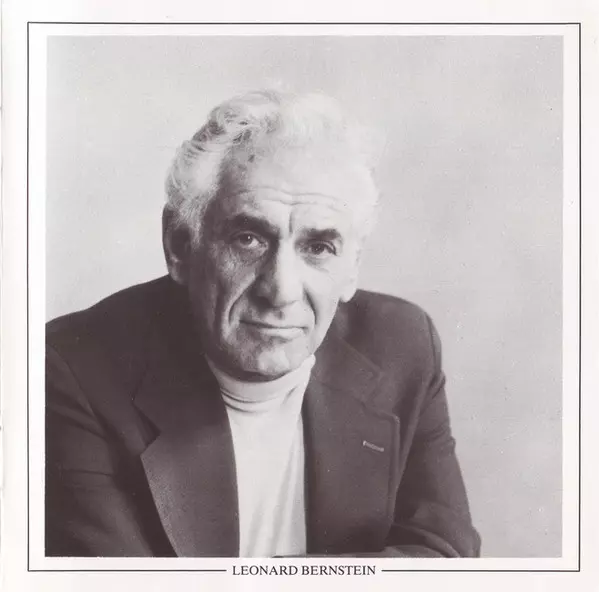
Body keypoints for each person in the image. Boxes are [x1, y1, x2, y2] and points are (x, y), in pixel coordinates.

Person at [45, 89, 481, 558]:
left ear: (352, 267)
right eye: (249, 239)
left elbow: (443, 557)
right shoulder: (73, 368)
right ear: (180, 245)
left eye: (318, 248)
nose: (281, 290)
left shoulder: (403, 346)